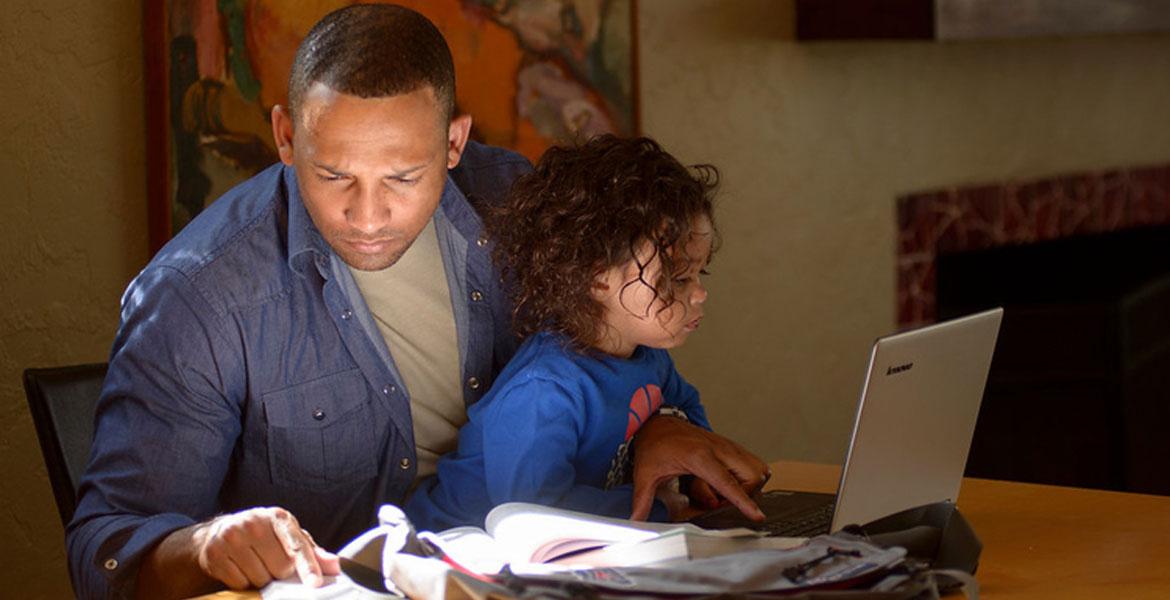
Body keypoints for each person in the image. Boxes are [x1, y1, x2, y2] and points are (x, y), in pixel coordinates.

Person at [66, 5, 767, 600]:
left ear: (455, 142)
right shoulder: (197, 296)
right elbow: (105, 548)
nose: (366, 215)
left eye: (404, 176)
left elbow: (610, 340)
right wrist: (206, 545)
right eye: (332, 173)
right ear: (285, 136)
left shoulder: (517, 204)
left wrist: (658, 427)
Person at [406, 135, 752, 531]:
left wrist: (699, 479)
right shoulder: (545, 388)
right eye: (677, 278)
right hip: (453, 547)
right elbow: (533, 511)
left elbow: (688, 412)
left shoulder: (647, 358)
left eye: (698, 274)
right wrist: (662, 507)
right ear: (597, 276)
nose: (700, 293)